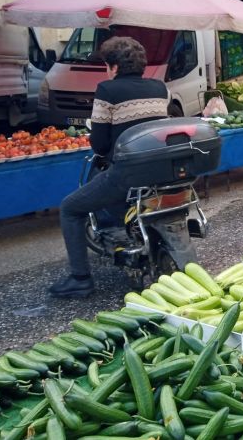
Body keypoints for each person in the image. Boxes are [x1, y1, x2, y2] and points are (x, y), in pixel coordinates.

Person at [49, 37, 170, 298]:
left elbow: (101, 145)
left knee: (70, 208)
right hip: (161, 171)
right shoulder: (160, 88)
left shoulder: (107, 90)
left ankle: (80, 278)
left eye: (106, 65)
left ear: (113, 66)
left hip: (128, 174)